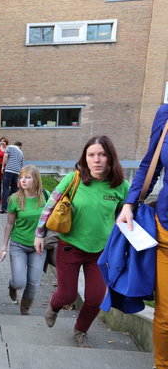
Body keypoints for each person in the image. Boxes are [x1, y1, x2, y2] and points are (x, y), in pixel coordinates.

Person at [34, 135, 128, 348]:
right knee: (67, 295)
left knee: (95, 298)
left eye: (102, 154)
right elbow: (49, 207)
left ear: (110, 157)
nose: (97, 160)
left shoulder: (121, 185)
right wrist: (39, 234)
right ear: (85, 158)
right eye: (91, 155)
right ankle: (53, 306)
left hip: (101, 252)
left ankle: (81, 330)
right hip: (69, 247)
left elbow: (127, 214)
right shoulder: (73, 179)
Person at [117, 105, 168, 369]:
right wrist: (130, 203)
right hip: (166, 231)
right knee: (166, 315)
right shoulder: (165, 116)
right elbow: (151, 163)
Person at [0, 165, 47, 315]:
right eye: (21, 177)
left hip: (39, 247)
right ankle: (12, 286)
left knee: (33, 282)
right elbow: (9, 224)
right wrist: (3, 246)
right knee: (20, 282)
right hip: (18, 245)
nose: (22, 180)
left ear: (36, 179)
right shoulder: (14, 199)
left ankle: (25, 309)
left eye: (27, 177)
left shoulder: (46, 196)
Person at [1, 141, 24, 213]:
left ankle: (4, 208)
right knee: (14, 189)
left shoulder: (10, 147)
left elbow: (5, 156)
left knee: (5, 188)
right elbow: (21, 165)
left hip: (9, 170)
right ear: (20, 146)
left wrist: (3, 166)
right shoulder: (21, 153)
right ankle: (11, 205)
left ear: (14, 144)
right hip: (17, 172)